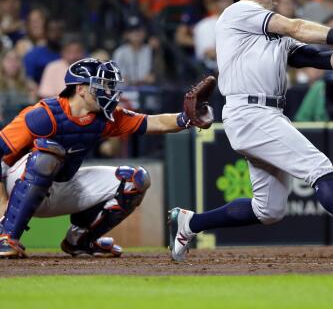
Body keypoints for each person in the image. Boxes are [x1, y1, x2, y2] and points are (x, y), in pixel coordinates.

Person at [168, 0, 333, 262]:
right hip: (251, 112)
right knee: (319, 168)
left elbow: (314, 58)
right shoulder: (240, 13)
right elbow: (297, 27)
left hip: (261, 114)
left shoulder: (268, 31)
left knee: (268, 210)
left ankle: (190, 223)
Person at [0, 58, 215, 258]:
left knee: (136, 179)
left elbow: (153, 122)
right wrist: (2, 203)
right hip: (19, 183)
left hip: (61, 185)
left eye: (109, 86)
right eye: (101, 86)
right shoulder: (42, 115)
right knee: (47, 153)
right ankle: (6, 236)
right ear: (81, 89)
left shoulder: (105, 118)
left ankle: (81, 240)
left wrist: (187, 118)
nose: (108, 92)